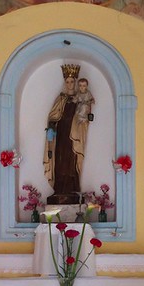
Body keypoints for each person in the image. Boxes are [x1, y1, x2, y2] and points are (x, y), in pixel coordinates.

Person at [43, 66, 94, 204]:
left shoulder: (81, 99)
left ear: (76, 82)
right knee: (60, 161)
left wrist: (86, 117)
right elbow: (53, 116)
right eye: (67, 82)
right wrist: (52, 125)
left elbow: (85, 118)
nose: (70, 84)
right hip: (61, 135)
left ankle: (72, 189)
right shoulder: (61, 99)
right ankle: (59, 189)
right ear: (65, 83)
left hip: (74, 136)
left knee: (72, 161)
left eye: (72, 81)